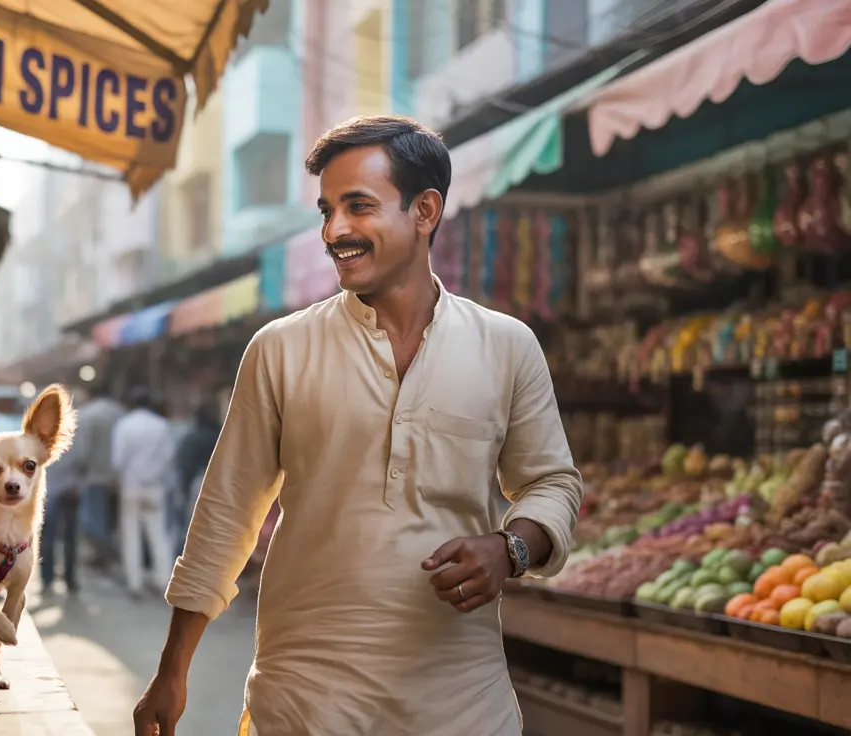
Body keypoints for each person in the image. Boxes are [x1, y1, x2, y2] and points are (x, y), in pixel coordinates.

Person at [133, 115, 583, 736]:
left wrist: (510, 548)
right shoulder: (280, 348)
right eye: (326, 210)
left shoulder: (507, 346)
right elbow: (226, 514)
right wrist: (171, 670)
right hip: (304, 703)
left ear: (425, 210)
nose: (334, 230)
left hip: (462, 707)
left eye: (358, 207)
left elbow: (553, 483)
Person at [111, 388, 177, 599]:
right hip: (154, 487)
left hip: (131, 486)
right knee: (158, 534)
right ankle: (163, 580)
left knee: (131, 535)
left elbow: (117, 460)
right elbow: (169, 456)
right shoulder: (162, 425)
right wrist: (153, 474)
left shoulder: (124, 425)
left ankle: (135, 583)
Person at [41, 388, 89, 594]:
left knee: (50, 537)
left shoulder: (39, 433)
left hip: (50, 491)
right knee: (68, 536)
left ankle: (48, 579)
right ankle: (68, 578)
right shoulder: (75, 433)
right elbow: (83, 461)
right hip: (68, 490)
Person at [72, 384, 126, 568]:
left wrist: (78, 471)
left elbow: (82, 450)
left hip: (93, 475)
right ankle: (108, 551)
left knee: (93, 517)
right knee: (111, 518)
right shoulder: (122, 412)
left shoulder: (87, 414)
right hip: (118, 478)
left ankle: (101, 552)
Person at [172, 401, 220, 545]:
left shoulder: (192, 438)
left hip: (198, 484)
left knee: (192, 526)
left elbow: (186, 466)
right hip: (222, 484)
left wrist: (184, 489)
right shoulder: (223, 435)